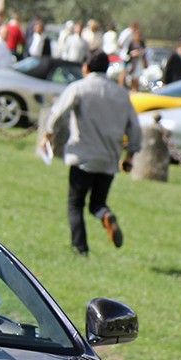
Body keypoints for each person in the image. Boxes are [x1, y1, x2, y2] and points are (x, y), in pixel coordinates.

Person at [43, 51, 142, 255]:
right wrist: (130, 155)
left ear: (86, 67)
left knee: (75, 203)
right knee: (97, 203)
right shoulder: (121, 93)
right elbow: (135, 128)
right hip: (109, 159)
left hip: (83, 156)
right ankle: (106, 215)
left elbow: (58, 113)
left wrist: (49, 133)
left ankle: (80, 248)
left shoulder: (80, 88)